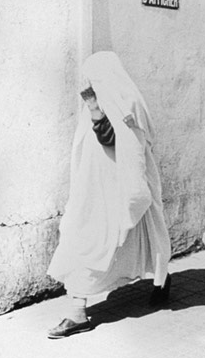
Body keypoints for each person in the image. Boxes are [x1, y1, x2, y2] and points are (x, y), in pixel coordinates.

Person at [46, 51, 172, 339]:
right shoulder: (109, 100)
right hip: (95, 190)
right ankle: (78, 309)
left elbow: (114, 140)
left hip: (122, 186)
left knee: (146, 233)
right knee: (86, 238)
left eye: (92, 78)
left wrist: (93, 107)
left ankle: (161, 279)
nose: (88, 84)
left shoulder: (124, 102)